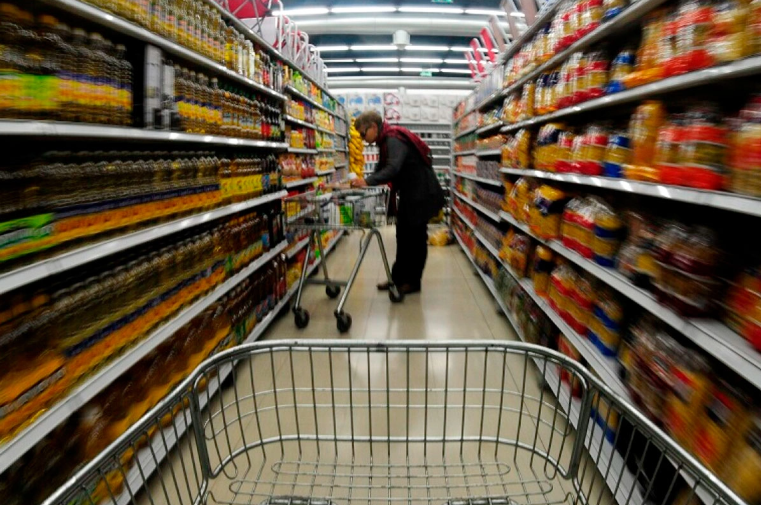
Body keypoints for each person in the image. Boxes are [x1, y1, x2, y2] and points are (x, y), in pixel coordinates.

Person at [350, 111, 446, 294]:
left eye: (363, 133)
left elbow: (393, 168)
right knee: (402, 236)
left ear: (373, 127)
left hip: (422, 193)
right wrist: (364, 182)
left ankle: (413, 282)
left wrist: (367, 181)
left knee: (415, 238)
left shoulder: (393, 139)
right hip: (411, 192)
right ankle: (397, 278)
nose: (362, 139)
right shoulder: (385, 140)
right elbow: (381, 168)